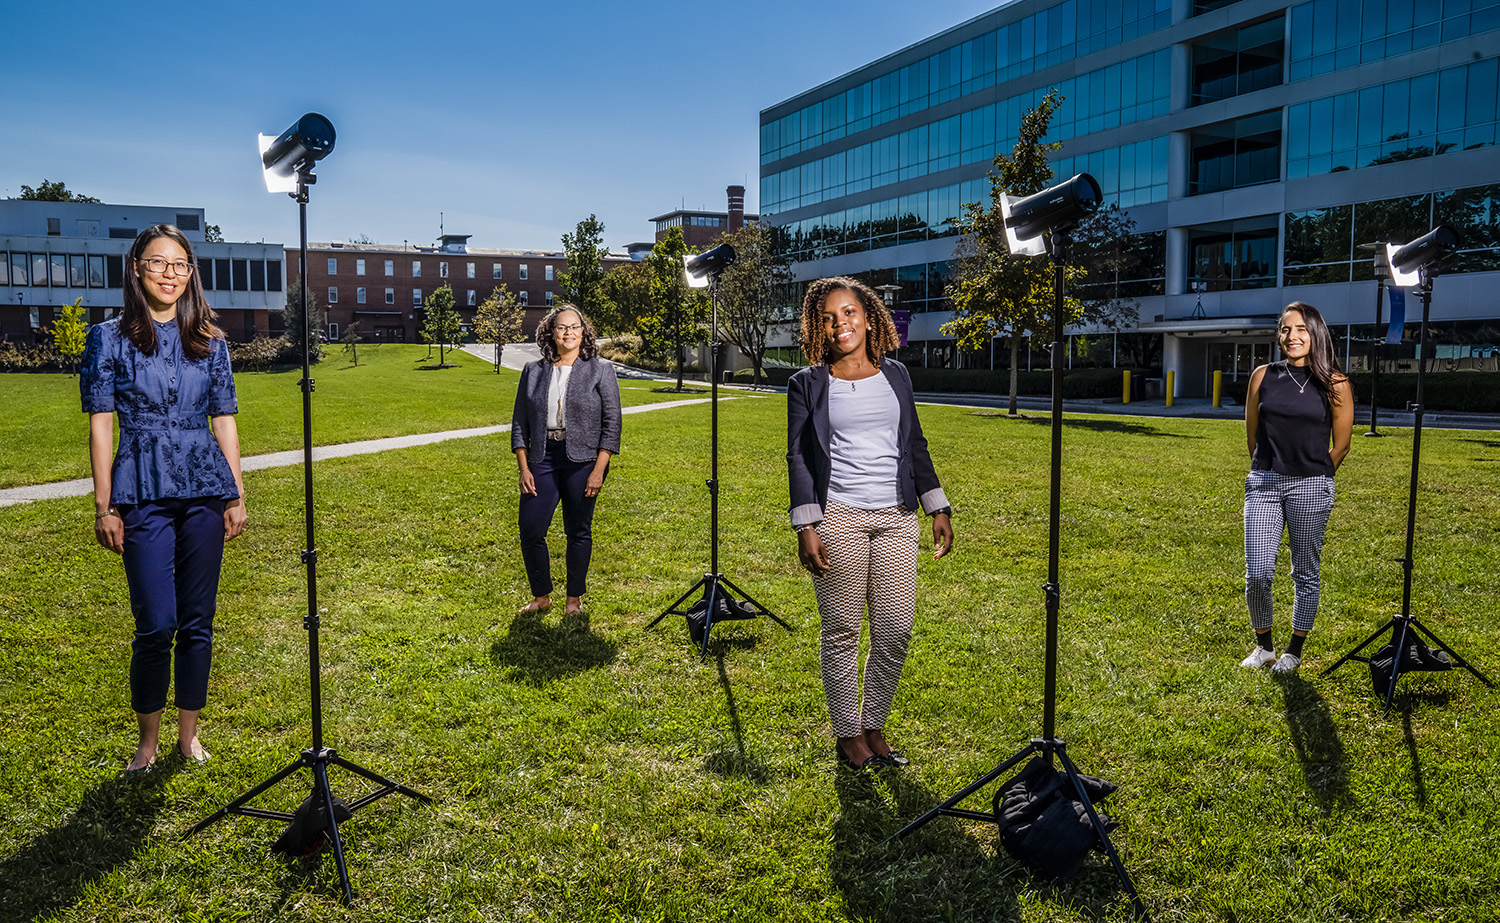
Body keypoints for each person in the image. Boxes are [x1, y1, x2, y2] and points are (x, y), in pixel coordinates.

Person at [81, 224, 247, 773]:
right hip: (142, 487)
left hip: (204, 486)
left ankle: (187, 736)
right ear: (136, 268)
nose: (170, 274)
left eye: (180, 265)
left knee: (199, 618)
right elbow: (102, 425)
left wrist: (236, 494)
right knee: (155, 622)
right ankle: (147, 742)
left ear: (191, 273)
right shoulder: (108, 338)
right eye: (159, 263)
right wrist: (106, 506)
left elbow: (223, 420)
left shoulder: (210, 340)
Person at [786, 277, 954, 771]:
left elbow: (915, 443)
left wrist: (936, 505)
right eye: (830, 318)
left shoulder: (896, 374)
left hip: (898, 517)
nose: (842, 324)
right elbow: (797, 456)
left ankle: (874, 723)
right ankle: (848, 734)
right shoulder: (807, 383)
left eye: (851, 313)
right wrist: (806, 524)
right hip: (838, 515)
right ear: (819, 328)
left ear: (869, 315)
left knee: (895, 631)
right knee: (841, 631)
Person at [1241, 302, 1353, 674]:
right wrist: (1266, 468)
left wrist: (1318, 476)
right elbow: (1253, 434)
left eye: (1301, 329)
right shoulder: (1262, 376)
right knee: (1258, 574)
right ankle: (1264, 647)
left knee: (1304, 571)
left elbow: (1341, 444)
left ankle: (1294, 650)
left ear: (1316, 333)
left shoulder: (1335, 383)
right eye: (1286, 329)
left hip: (1310, 486)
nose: (1292, 336)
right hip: (1264, 484)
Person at [511, 305, 622, 616]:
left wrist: (599, 470)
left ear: (583, 332)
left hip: (584, 460)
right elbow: (520, 421)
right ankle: (542, 596)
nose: (569, 332)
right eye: (562, 327)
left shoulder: (600, 369)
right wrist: (524, 468)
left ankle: (573, 600)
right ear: (551, 332)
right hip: (541, 458)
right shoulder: (533, 371)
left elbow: (612, 424)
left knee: (578, 529)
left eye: (574, 327)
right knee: (531, 528)